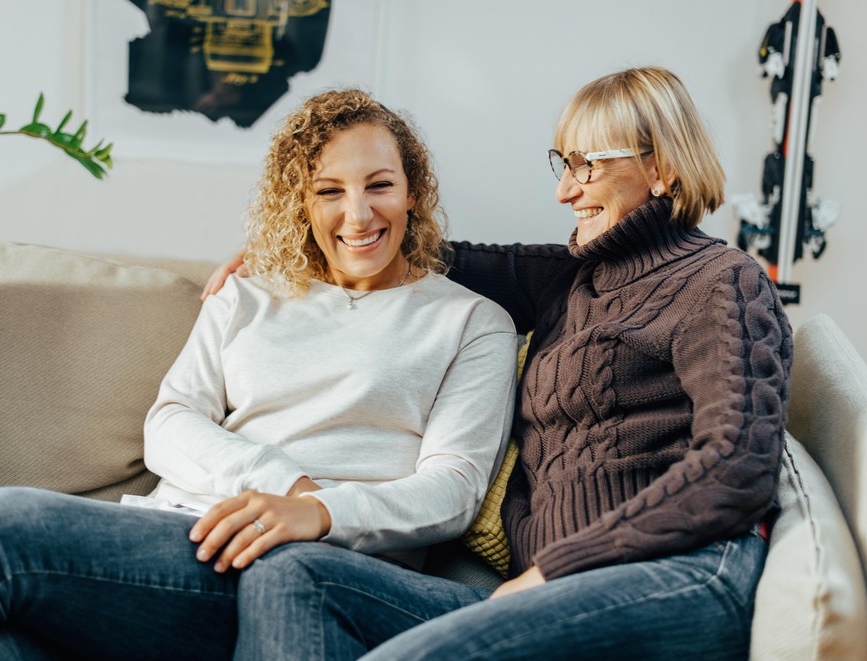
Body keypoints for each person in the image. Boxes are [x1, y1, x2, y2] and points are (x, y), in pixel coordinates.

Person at [207, 66, 793, 660]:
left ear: (660, 167)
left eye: (586, 165)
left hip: (672, 575)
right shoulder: (568, 276)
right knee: (296, 574)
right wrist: (288, 245)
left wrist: (556, 569)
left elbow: (737, 467)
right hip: (546, 587)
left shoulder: (723, 283)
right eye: (562, 165)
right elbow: (409, 250)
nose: (564, 191)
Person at [0, 89, 518, 660]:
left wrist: (322, 513)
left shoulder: (469, 322)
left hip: (313, 567)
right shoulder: (247, 296)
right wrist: (287, 487)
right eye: (329, 191)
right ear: (301, 203)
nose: (357, 214)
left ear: (412, 191)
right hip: (180, 533)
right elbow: (170, 422)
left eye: (379, 185)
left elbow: (454, 489)